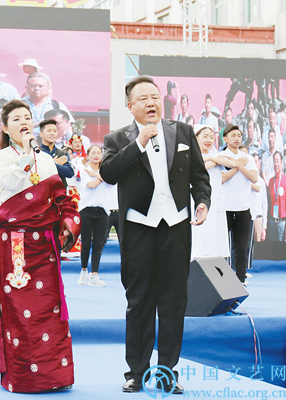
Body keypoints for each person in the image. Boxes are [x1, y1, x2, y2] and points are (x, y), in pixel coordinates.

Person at [99, 76, 210, 394]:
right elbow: (108, 173)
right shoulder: (117, 138)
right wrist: (139, 143)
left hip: (176, 226)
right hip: (138, 229)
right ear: (130, 105)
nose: (151, 103)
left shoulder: (183, 131)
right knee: (139, 301)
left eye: (154, 96)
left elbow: (199, 175)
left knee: (174, 301)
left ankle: (167, 372)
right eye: (143, 98)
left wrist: (202, 201)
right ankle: (136, 372)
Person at [0, 99, 81, 393]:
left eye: (27, 117)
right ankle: (23, 377)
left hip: (44, 245)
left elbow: (60, 196)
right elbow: (12, 183)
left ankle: (54, 377)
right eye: (16, 119)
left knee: (48, 308)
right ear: (5, 128)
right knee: (18, 308)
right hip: (15, 242)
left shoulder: (47, 159)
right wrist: (27, 155)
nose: (24, 122)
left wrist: (69, 220)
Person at [218, 124, 258, 283]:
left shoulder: (248, 158)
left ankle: (240, 280)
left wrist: (239, 164)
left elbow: (254, 178)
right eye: (233, 135)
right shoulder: (221, 156)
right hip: (225, 209)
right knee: (221, 248)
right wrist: (237, 166)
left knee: (241, 249)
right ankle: (220, 281)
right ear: (225, 139)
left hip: (243, 209)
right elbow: (222, 178)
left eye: (239, 135)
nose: (237, 138)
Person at [190, 126, 231, 259]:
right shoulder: (191, 156)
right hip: (200, 201)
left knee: (215, 236)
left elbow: (230, 163)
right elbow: (200, 167)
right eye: (205, 136)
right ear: (196, 138)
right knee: (200, 235)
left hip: (216, 202)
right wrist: (213, 160)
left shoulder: (215, 156)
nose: (209, 140)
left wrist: (211, 159)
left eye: (212, 137)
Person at [76, 145, 110, 287]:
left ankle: (94, 274)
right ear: (88, 155)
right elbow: (91, 185)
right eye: (93, 153)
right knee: (86, 243)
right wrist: (100, 177)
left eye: (99, 153)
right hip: (86, 210)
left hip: (102, 211)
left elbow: (111, 181)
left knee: (98, 244)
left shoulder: (106, 170)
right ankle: (84, 271)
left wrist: (98, 175)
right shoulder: (85, 170)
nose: (96, 155)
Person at [38, 119, 74, 187]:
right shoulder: (36, 152)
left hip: (60, 190)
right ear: (41, 134)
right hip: (42, 190)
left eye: (54, 131)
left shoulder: (63, 153)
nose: (52, 133)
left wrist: (52, 165)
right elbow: (37, 171)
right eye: (49, 131)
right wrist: (55, 164)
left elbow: (70, 172)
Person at [267, 151, 286, 242]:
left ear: (282, 163)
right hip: (272, 221)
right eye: (274, 161)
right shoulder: (271, 181)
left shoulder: (285, 180)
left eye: (278, 161)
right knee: (272, 248)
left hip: (282, 223)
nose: (276, 164)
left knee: (281, 248)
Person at [252, 152, 267, 242]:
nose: (255, 164)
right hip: (249, 219)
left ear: (259, 164)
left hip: (258, 219)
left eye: (256, 162)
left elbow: (265, 204)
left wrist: (264, 227)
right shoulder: (247, 180)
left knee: (258, 247)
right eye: (253, 162)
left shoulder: (262, 182)